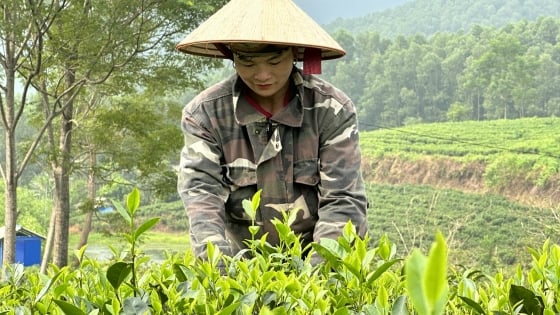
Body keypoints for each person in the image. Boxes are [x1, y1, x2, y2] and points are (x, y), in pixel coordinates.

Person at [176, 0, 368, 265]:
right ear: (233, 57)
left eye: (275, 60)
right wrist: (220, 275)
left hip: (320, 262)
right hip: (242, 264)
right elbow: (202, 200)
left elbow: (342, 200)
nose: (262, 74)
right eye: (247, 61)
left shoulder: (331, 110)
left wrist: (317, 281)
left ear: (295, 53)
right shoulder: (205, 115)